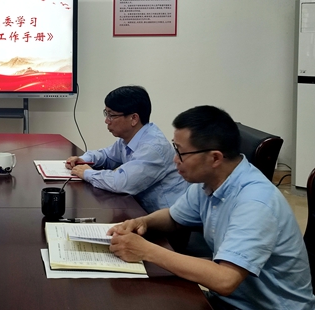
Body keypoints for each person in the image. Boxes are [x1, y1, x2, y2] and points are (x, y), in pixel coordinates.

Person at [108, 105, 315, 310]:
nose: (175, 160)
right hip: (230, 301)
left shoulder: (255, 202)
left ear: (215, 158)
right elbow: (173, 217)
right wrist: (142, 222)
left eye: (181, 152)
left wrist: (146, 250)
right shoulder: (209, 181)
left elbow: (225, 280)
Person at [65, 86, 187, 213]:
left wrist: (87, 173)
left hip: (169, 219)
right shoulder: (130, 137)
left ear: (134, 118)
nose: (106, 121)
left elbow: (121, 183)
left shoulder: (152, 147)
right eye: (106, 113)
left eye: (111, 115)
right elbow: (106, 155)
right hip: (141, 210)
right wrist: (84, 159)